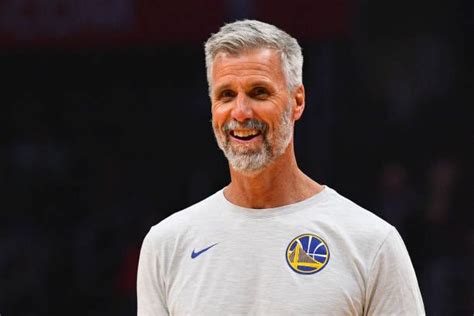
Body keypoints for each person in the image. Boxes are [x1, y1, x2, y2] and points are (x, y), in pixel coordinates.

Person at [137, 20, 425, 315]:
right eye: (226, 95)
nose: (240, 112)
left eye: (259, 92)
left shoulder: (371, 242)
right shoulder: (167, 245)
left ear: (297, 101)